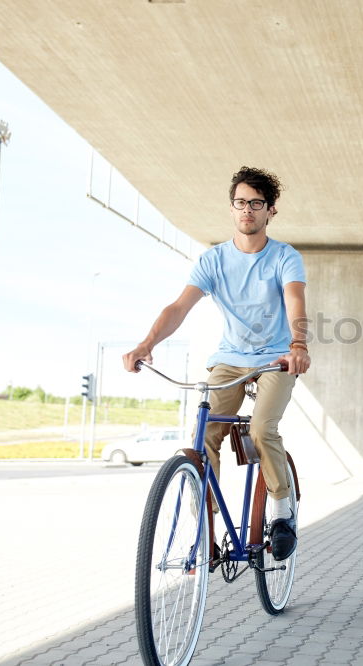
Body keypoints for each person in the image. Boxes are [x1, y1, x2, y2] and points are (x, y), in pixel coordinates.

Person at [122, 166, 310, 560]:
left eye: (256, 204)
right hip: (229, 359)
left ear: (270, 211)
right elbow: (178, 307)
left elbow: (294, 300)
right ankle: (204, 522)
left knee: (262, 428)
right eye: (241, 203)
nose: (247, 211)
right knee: (205, 433)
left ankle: (281, 509)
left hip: (276, 358)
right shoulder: (214, 261)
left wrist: (297, 344)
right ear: (232, 208)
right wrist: (147, 343)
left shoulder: (284, 257)